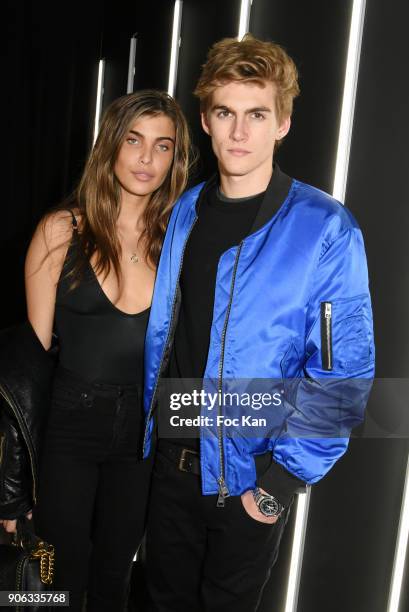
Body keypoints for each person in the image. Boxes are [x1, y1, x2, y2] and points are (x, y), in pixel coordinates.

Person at [142, 35, 375, 611]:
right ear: (206, 120)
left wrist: (274, 489)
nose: (239, 133)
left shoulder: (326, 229)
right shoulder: (185, 213)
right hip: (168, 470)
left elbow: (341, 374)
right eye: (226, 113)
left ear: (283, 123)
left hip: (249, 479)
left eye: (256, 114)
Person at [0, 89, 193, 611]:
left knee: (114, 577)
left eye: (163, 146)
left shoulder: (179, 240)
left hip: (140, 434)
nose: (146, 159)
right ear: (110, 146)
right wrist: (10, 488)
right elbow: (25, 369)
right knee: (57, 575)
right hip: (67, 425)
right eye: (134, 141)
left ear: (176, 158)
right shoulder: (62, 230)